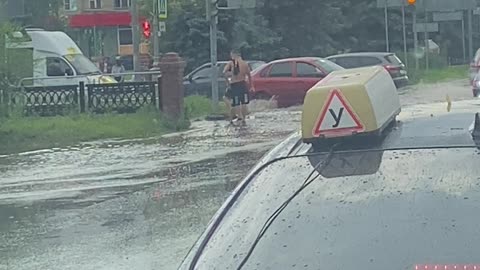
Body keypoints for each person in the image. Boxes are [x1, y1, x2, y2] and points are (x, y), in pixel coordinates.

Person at [222, 49, 253, 126]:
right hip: (242, 84)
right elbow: (249, 76)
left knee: (235, 103)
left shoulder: (230, 63)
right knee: (244, 103)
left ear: (234, 55)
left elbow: (224, 72)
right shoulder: (245, 64)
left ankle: (234, 118)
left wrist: (228, 81)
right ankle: (243, 119)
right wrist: (251, 86)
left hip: (234, 84)